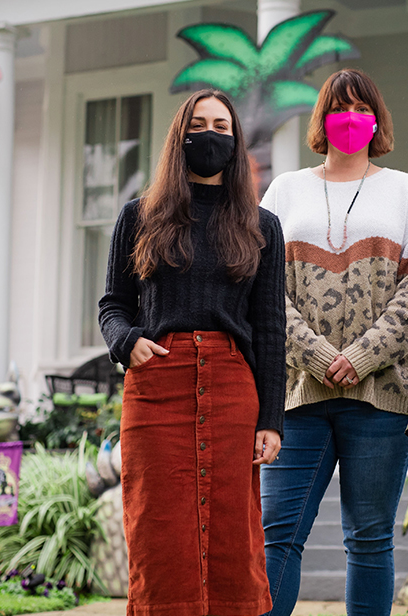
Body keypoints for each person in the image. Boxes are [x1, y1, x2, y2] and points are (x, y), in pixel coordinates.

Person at [99, 89, 286, 616]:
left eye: (222, 126)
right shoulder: (139, 216)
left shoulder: (261, 225)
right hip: (157, 385)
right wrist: (126, 340)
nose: (210, 135)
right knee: (158, 526)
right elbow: (114, 304)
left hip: (232, 388)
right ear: (180, 137)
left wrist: (271, 418)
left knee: (233, 530)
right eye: (199, 124)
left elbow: (271, 329)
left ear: (235, 140)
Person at [259, 68, 408, 616]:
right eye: (340, 108)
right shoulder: (285, 189)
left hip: (381, 399)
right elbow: (261, 288)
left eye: (362, 108)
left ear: (377, 119)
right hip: (298, 398)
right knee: (278, 536)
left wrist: (360, 357)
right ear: (322, 119)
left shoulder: (405, 189)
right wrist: (314, 353)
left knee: (369, 540)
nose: (351, 118)